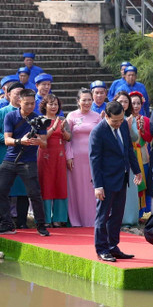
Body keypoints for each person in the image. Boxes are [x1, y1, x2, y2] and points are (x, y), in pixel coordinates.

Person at [90, 101, 142, 261]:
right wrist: (98, 186)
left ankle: (113, 246)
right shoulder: (98, 132)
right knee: (103, 215)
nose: (119, 123)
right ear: (106, 116)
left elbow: (128, 149)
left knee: (117, 215)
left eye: (121, 120)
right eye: (115, 121)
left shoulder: (124, 125)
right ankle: (102, 249)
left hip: (122, 177)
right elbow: (94, 160)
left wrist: (137, 170)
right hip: (106, 180)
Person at [0, 89, 50, 236]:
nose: (30, 106)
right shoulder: (10, 116)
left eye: (33, 103)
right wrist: (21, 141)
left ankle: (41, 225)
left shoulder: (39, 119)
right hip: (10, 159)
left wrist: (38, 141)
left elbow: (44, 144)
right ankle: (6, 223)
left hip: (29, 161)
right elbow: (7, 140)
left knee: (34, 194)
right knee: (1, 190)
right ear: (20, 101)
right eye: (27, 103)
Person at [0, 83, 31, 227]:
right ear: (8, 94)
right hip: (6, 154)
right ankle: (5, 219)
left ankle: (22, 221)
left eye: (22, 93)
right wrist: (11, 142)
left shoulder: (30, 114)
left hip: (25, 155)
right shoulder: (2, 113)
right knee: (5, 188)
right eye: (16, 93)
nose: (19, 96)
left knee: (23, 189)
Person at [65, 89, 102, 227]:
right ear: (78, 101)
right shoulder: (72, 116)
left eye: (89, 100)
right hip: (76, 158)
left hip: (93, 158)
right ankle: (75, 220)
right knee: (76, 189)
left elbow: (101, 138)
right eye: (84, 100)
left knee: (92, 188)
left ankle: (93, 219)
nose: (87, 102)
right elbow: (67, 138)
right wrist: (69, 156)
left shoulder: (97, 116)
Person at [38, 93, 70, 227]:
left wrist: (63, 131)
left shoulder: (63, 119)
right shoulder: (40, 120)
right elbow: (42, 138)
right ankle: (46, 219)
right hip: (45, 155)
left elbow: (69, 138)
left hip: (60, 155)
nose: (53, 107)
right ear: (45, 105)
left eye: (56, 104)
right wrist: (52, 127)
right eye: (50, 104)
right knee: (46, 184)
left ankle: (59, 218)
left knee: (60, 183)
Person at [127, 90, 152, 216]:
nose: (136, 106)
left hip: (142, 154)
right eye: (133, 103)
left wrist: (142, 129)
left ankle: (143, 211)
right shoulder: (125, 119)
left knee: (144, 182)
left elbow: (148, 138)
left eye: (138, 103)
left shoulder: (146, 120)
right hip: (130, 153)